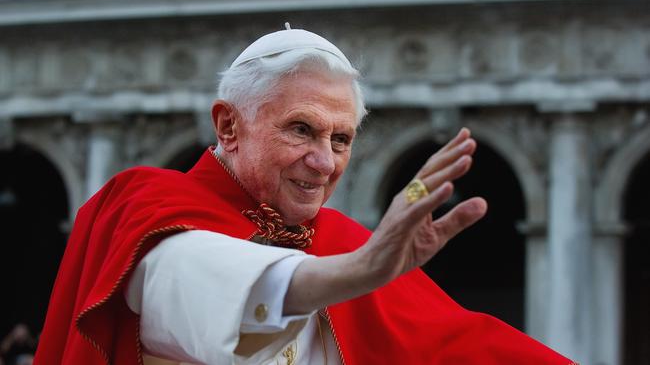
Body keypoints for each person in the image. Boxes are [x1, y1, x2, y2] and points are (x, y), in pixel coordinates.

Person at [34, 26, 575, 365]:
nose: (324, 162)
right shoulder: (148, 206)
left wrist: (362, 263)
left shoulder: (346, 243)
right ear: (228, 127)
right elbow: (201, 284)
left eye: (341, 140)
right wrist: (359, 270)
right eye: (301, 130)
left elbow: (465, 347)